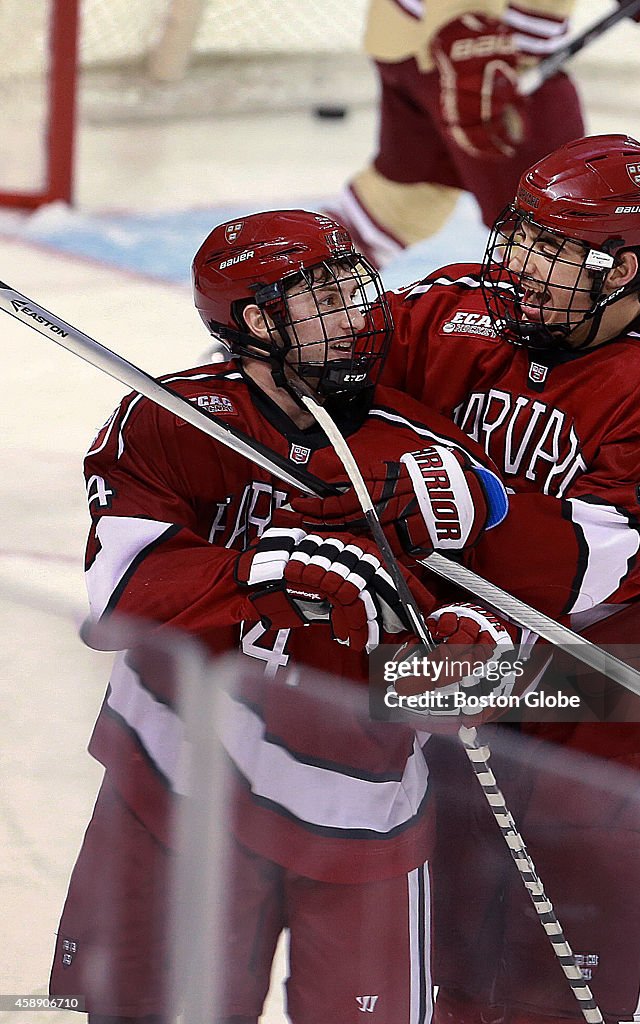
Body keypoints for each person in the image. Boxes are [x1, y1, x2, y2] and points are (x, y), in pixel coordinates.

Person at [293, 134, 640, 1023]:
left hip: (600, 704)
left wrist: (472, 496)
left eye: (555, 249)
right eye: (523, 236)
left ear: (622, 267)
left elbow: (601, 559)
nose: (522, 264)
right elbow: (321, 395)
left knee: (578, 1003)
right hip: (438, 682)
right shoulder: (450, 308)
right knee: (436, 986)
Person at [48, 209, 517, 1024]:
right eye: (324, 297)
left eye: (354, 289)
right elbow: (122, 594)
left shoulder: (424, 454)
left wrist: (468, 656)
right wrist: (269, 569)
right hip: (171, 793)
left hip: (357, 813)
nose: (358, 315)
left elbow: (469, 627)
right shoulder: (167, 421)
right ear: (257, 323)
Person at [325, 0, 640, 267]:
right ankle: (554, 353)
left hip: (414, 42)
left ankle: (304, 286)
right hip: (486, 59)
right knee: (561, 221)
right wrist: (465, 32)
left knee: (406, 198)